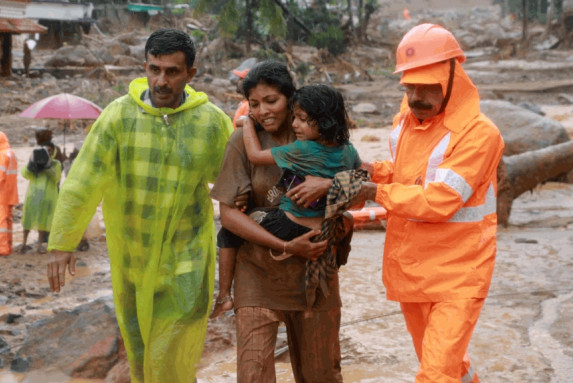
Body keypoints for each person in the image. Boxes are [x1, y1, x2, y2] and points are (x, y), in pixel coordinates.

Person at [45, 28, 233, 383]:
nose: (161, 80)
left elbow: (238, 178)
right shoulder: (118, 117)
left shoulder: (208, 122)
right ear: (144, 67)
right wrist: (61, 243)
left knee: (169, 351)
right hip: (132, 258)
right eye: (154, 69)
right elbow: (83, 180)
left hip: (187, 257)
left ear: (191, 74)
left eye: (172, 72)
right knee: (141, 354)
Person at [352, 24, 505, 382]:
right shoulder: (405, 121)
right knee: (448, 366)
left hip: (458, 275)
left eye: (427, 87)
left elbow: (440, 200)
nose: (417, 96)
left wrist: (373, 192)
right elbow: (407, 174)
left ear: (452, 79)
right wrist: (371, 171)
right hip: (413, 268)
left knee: (435, 374)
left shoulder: (479, 134)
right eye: (410, 86)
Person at [210, 60, 344, 382]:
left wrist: (331, 187)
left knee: (321, 375)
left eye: (271, 101)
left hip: (314, 277)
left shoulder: (323, 141)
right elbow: (227, 215)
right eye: (254, 104)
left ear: (291, 98)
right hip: (257, 273)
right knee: (253, 375)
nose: (262, 111)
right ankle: (226, 296)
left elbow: (360, 185)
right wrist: (285, 245)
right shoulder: (243, 141)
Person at [210, 84, 360, 319]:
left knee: (231, 228)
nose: (294, 124)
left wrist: (247, 123)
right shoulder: (348, 150)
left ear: (322, 122)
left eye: (301, 119)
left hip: (288, 225)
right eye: (295, 118)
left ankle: (224, 297)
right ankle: (342, 249)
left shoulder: (303, 149)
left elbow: (255, 156)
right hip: (324, 228)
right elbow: (361, 176)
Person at [19, 143, 62, 254]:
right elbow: (25, 174)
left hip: (48, 198)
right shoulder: (35, 163)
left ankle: (39, 245)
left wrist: (46, 167)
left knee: (43, 221)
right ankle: (24, 243)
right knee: (28, 219)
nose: (49, 153)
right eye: (47, 150)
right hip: (33, 195)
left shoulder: (56, 164)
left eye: (51, 151)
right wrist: (31, 162)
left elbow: (56, 177)